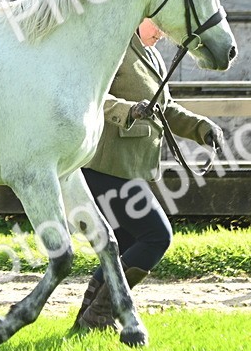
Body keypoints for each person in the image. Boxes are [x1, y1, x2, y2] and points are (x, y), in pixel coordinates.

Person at [72, 17, 225, 331]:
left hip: (133, 167)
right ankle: (100, 315)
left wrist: (201, 128)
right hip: (105, 166)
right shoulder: (115, 47)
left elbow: (163, 107)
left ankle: (88, 320)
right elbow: (91, 97)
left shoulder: (152, 54)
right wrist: (127, 110)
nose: (160, 32)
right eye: (156, 24)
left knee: (125, 246)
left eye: (164, 28)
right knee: (157, 235)